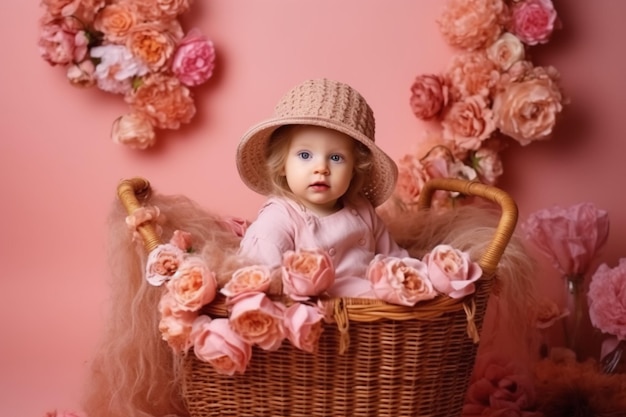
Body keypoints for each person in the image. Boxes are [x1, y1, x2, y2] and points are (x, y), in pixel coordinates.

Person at [236, 78, 409, 297]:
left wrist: (413, 278)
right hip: (319, 318)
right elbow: (260, 276)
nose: (321, 168)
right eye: (305, 155)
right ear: (282, 165)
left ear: (355, 169)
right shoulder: (280, 218)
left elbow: (396, 258)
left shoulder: (362, 210)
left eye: (336, 157)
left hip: (373, 318)